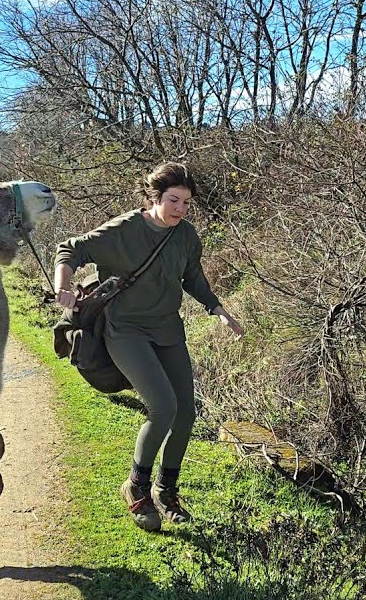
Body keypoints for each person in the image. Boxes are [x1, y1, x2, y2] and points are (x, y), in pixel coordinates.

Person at [53, 161, 244, 531]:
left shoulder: (186, 236)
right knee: (163, 407)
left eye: (187, 203)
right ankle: (136, 486)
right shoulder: (125, 230)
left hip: (168, 330)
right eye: (174, 200)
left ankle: (166, 490)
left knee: (186, 413)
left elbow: (194, 278)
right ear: (154, 197)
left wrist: (218, 309)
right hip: (125, 331)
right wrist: (64, 284)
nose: (180, 209)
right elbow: (69, 250)